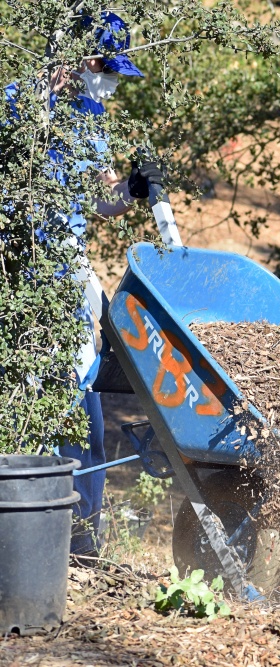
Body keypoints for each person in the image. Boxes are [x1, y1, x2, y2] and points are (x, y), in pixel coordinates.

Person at [6, 12, 164, 555]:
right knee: (30, 404)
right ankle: (31, 538)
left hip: (69, 274)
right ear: (73, 54)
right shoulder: (19, 106)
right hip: (24, 271)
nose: (109, 78)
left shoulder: (89, 114)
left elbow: (102, 203)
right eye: (104, 64)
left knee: (81, 407)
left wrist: (134, 187)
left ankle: (81, 544)